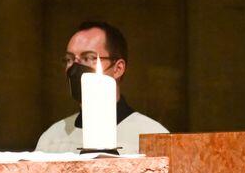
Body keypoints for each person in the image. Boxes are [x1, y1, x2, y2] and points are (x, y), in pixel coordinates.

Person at [33, 20, 170, 154]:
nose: (75, 67)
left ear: (118, 68)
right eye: (69, 59)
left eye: (88, 58)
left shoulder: (152, 135)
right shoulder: (51, 139)